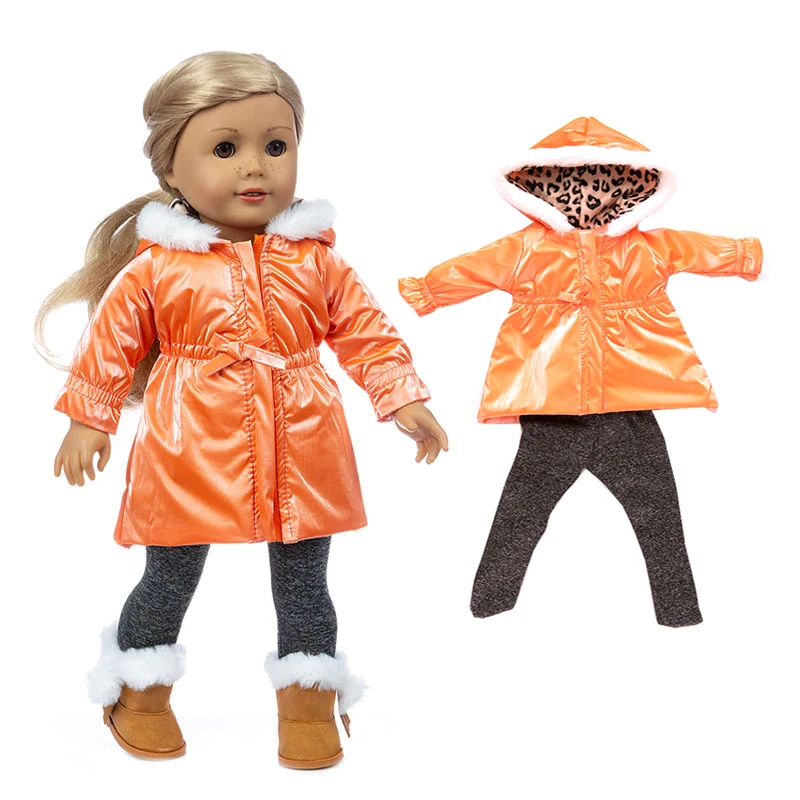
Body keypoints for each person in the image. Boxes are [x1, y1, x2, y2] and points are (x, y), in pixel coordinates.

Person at [35, 51, 448, 768]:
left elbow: (366, 332)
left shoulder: (317, 260)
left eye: (275, 146)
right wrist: (88, 420)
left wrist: (401, 396)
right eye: (225, 149)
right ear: (170, 169)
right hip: (188, 438)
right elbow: (110, 344)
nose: (254, 167)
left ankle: (309, 702)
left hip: (303, 437)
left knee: (305, 580)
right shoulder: (158, 268)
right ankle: (138, 691)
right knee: (169, 575)